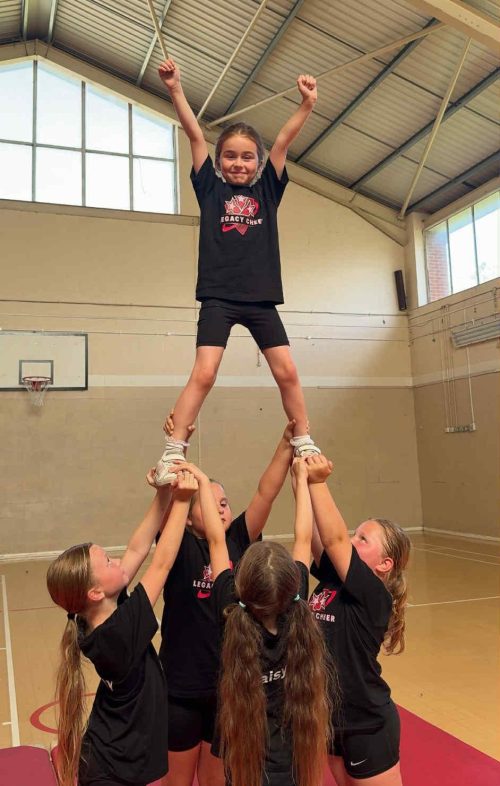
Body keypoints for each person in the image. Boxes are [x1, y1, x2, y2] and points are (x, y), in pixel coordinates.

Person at [155, 57, 321, 484]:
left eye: (247, 157)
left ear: (259, 162)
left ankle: (303, 437)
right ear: (219, 159)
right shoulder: (209, 187)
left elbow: (283, 143)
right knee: (205, 372)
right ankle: (174, 450)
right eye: (230, 156)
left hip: (261, 298)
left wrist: (305, 105)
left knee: (287, 370)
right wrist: (175, 88)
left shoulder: (268, 189)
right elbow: (194, 133)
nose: (238, 163)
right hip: (219, 296)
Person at [172, 456, 332, 786]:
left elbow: (217, 541)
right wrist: (302, 480)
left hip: (245, 764)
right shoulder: (296, 609)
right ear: (294, 583)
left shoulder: (232, 612)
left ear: (240, 580)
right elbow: (303, 538)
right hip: (292, 765)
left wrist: (201, 481)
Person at [157, 421, 297, 786]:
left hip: (228, 688)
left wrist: (286, 444)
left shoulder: (237, 540)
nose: (220, 509)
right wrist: (177, 446)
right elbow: (170, 492)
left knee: (217, 778)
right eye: (209, 502)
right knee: (177, 779)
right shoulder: (180, 545)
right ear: (187, 516)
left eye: (224, 502)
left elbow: (266, 494)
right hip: (181, 688)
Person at [46, 469, 199, 786]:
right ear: (95, 593)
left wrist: (163, 494)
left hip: (112, 758)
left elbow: (137, 549)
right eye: (108, 563)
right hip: (112, 771)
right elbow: (162, 562)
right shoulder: (118, 634)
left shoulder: (103, 614)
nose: (118, 561)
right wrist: (183, 501)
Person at [305, 454, 411, 786]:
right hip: (331, 719)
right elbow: (314, 536)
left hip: (367, 723)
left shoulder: (374, 595)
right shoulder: (333, 579)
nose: (352, 541)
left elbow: (335, 540)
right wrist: (302, 480)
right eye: (355, 534)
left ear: (384, 564)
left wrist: (319, 481)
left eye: (363, 540)